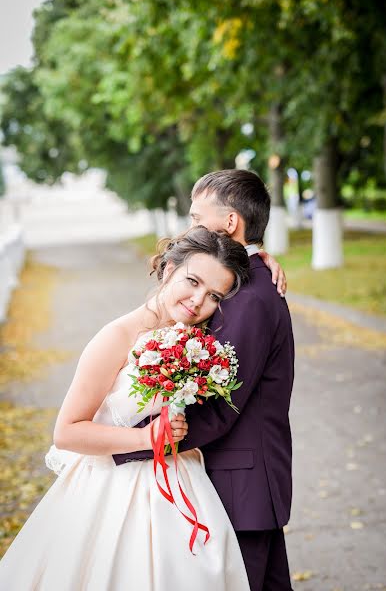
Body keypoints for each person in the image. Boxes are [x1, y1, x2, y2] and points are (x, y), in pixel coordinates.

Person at [0, 227, 253, 591]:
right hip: (111, 490)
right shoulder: (116, 337)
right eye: (192, 281)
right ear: (168, 270)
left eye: (214, 295)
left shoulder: (197, 339)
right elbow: (67, 431)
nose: (198, 301)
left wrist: (264, 260)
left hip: (181, 476)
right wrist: (144, 437)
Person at [115, 169, 295, 591]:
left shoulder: (248, 300)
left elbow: (222, 402)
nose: (189, 226)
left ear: (230, 223)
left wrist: (135, 442)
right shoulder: (244, 284)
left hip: (240, 483)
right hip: (241, 480)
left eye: (197, 217)